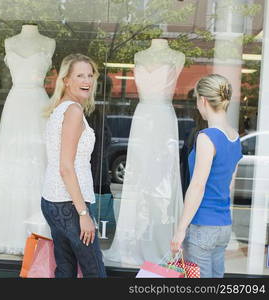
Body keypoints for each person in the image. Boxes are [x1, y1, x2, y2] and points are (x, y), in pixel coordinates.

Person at [104, 38, 185, 266]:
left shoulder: (177, 56)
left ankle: (161, 242)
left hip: (162, 118)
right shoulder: (139, 55)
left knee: (161, 181)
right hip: (143, 119)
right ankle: (134, 243)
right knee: (138, 179)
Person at [171, 74, 243, 278]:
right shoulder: (234, 137)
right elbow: (229, 185)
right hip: (222, 226)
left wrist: (180, 230)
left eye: (196, 100)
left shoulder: (206, 137)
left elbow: (197, 186)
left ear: (203, 100)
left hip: (202, 226)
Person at [41, 53, 106, 278]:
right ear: (66, 80)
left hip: (53, 200)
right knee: (95, 273)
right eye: (80, 75)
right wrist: (83, 213)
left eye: (90, 75)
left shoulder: (59, 108)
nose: (87, 81)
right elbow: (66, 167)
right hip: (70, 204)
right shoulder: (73, 111)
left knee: (66, 270)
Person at [0, 24, 55, 254]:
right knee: (11, 162)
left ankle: (38, 232)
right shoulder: (9, 42)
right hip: (16, 105)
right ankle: (8, 231)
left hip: (38, 106)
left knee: (38, 162)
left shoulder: (49, 43)